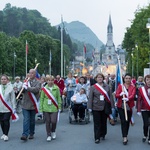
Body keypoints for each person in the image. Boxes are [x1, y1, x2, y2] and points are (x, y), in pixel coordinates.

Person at [88, 73, 113, 144]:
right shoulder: (93, 87)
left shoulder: (107, 87)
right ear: (96, 79)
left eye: (101, 77)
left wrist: (113, 106)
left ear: (103, 78)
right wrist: (89, 107)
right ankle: (97, 137)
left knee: (103, 122)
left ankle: (103, 133)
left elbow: (110, 97)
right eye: (98, 77)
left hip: (105, 107)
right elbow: (90, 98)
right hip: (96, 107)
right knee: (97, 123)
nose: (100, 79)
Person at [20, 69, 41, 141]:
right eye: (30, 73)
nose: (30, 74)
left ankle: (31, 133)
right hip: (25, 104)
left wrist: (27, 88)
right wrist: (22, 87)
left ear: (35, 74)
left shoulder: (38, 82)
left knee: (32, 120)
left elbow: (36, 89)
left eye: (32, 73)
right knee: (26, 119)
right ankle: (25, 134)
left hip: (33, 104)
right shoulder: (26, 82)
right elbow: (21, 91)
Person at [115, 73, 136, 145]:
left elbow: (133, 95)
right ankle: (124, 137)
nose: (128, 80)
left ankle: (126, 134)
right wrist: (120, 94)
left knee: (127, 121)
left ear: (131, 79)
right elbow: (116, 95)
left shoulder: (133, 87)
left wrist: (128, 98)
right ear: (124, 79)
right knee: (123, 121)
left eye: (129, 78)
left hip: (129, 106)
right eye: (126, 78)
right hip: (121, 106)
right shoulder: (120, 86)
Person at [40, 75, 61, 142]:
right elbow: (42, 99)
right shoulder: (44, 89)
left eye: (52, 80)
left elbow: (58, 98)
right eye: (49, 80)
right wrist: (41, 108)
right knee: (48, 122)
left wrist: (59, 106)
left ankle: (53, 131)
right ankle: (48, 135)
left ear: (53, 81)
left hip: (54, 107)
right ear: (47, 81)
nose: (50, 81)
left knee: (53, 121)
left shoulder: (56, 88)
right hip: (46, 107)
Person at [0, 75, 16, 141]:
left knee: (6, 120)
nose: (3, 80)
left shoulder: (10, 88)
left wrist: (14, 107)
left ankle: (6, 134)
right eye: (2, 79)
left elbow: (13, 98)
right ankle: (3, 133)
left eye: (5, 79)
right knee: (1, 121)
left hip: (7, 108)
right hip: (0, 108)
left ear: (7, 80)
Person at [137, 74, 150, 145]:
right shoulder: (141, 89)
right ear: (145, 81)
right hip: (144, 109)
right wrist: (138, 110)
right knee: (146, 124)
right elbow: (139, 100)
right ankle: (145, 135)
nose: (149, 81)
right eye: (147, 80)